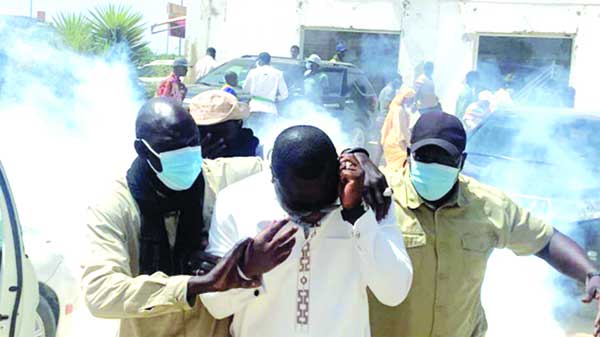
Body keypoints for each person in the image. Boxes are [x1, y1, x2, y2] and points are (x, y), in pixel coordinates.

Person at [369, 111, 600, 337]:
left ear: (462, 162)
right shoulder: (378, 196)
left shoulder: (487, 206)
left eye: (444, 158)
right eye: (425, 156)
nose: (434, 164)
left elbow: (546, 240)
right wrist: (356, 154)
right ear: (409, 154)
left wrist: (591, 274)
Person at [82, 97, 276, 337]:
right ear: (143, 150)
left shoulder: (221, 179)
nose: (187, 153)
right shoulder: (115, 206)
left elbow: (287, 165)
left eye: (192, 142)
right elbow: (100, 292)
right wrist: (198, 285)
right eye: (172, 147)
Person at [200, 125, 413, 337]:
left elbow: (393, 293)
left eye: (326, 207)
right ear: (272, 178)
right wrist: (247, 269)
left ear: (339, 174)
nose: (313, 217)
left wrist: (358, 217)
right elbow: (216, 307)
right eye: (299, 212)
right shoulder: (236, 202)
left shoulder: (368, 197)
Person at [190, 90, 259, 158]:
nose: (210, 136)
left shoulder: (260, 154)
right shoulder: (187, 154)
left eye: (218, 131)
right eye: (202, 131)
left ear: (239, 124)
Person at [243, 52, 288, 132]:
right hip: (270, 109)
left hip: (254, 107)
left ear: (260, 60)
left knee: (254, 133)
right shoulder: (278, 73)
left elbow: (245, 89)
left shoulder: (253, 72)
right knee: (267, 135)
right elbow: (284, 94)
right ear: (269, 61)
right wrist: (276, 98)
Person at [380, 88, 416, 173]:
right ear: (405, 98)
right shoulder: (399, 110)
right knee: (400, 163)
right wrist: (404, 144)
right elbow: (399, 129)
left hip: (395, 140)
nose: (412, 101)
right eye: (411, 99)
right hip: (396, 142)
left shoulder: (399, 108)